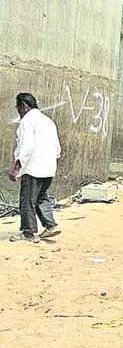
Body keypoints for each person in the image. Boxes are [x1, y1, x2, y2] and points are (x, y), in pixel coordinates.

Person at [8, 93, 62, 243]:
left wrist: (17, 167)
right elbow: (57, 149)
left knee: (27, 200)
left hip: (33, 168)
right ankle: (50, 225)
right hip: (49, 167)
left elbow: (27, 146)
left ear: (24, 106)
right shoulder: (49, 121)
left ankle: (28, 233)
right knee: (41, 197)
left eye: (18, 108)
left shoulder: (27, 121)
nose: (18, 111)